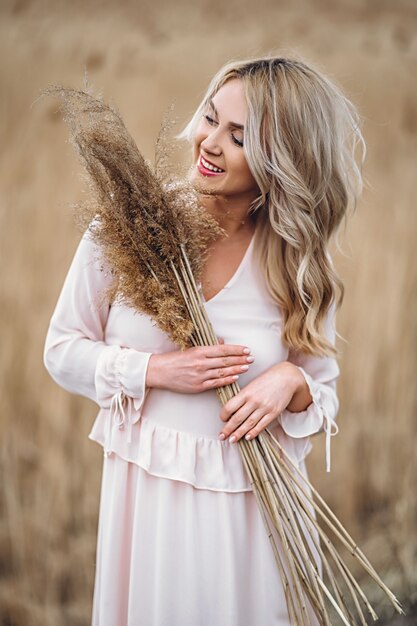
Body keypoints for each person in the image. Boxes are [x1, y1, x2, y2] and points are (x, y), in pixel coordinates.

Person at [44, 55, 364, 626]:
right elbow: (62, 350)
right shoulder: (131, 226)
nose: (209, 143)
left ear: (281, 159)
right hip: (149, 513)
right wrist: (156, 371)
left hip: (257, 522)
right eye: (211, 118)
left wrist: (289, 382)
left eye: (238, 137)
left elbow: (322, 394)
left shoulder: (296, 262)